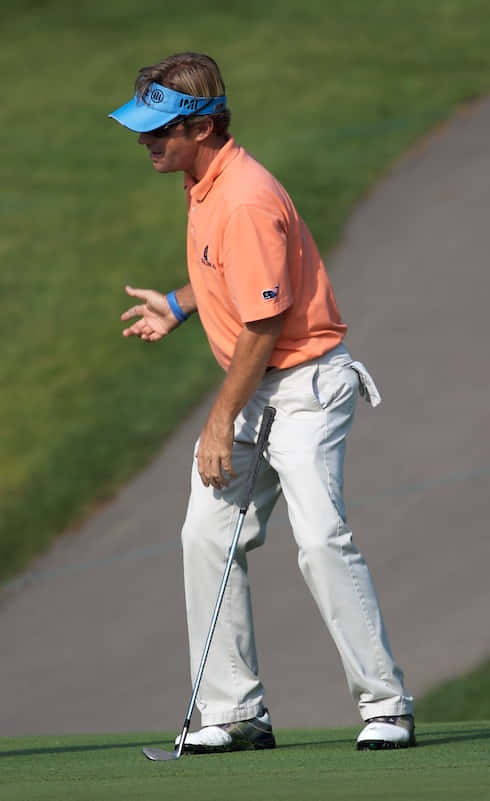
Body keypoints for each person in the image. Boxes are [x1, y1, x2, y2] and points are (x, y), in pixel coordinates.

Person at [109, 52, 415, 753]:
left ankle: (387, 703)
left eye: (159, 131)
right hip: (259, 386)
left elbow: (265, 323)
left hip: (304, 388)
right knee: (205, 537)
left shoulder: (243, 196)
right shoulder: (205, 182)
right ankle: (232, 711)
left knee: (320, 539)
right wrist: (181, 305)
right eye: (143, 130)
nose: (145, 142)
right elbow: (234, 277)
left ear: (204, 126)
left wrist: (219, 421)